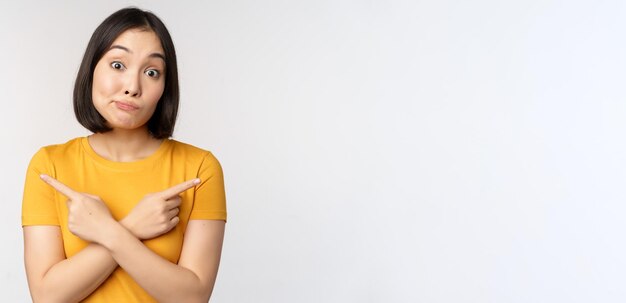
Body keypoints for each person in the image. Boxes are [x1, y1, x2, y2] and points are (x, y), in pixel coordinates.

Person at [21, 7, 226, 302]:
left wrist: (109, 232)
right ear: (92, 69)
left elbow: (192, 297)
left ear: (165, 87)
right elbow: (47, 297)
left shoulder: (199, 168)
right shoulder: (50, 165)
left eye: (152, 72)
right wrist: (134, 226)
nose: (132, 87)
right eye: (118, 65)